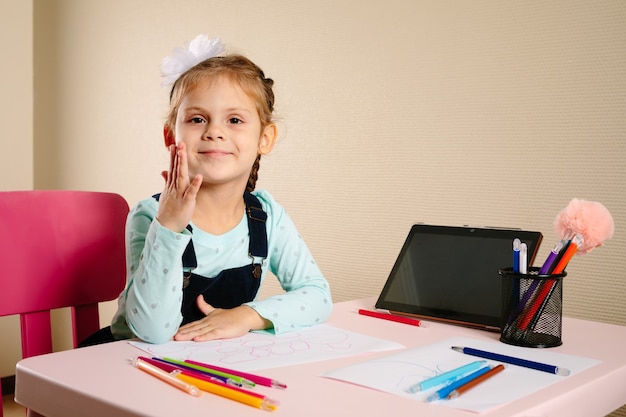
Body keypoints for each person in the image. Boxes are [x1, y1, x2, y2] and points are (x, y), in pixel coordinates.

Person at [106, 34, 332, 344]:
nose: (214, 131)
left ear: (265, 138)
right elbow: (151, 331)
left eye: (235, 120)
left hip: (212, 364)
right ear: (171, 136)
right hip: (131, 363)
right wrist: (170, 225)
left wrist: (247, 316)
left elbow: (317, 296)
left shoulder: (267, 216)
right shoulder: (150, 216)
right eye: (198, 119)